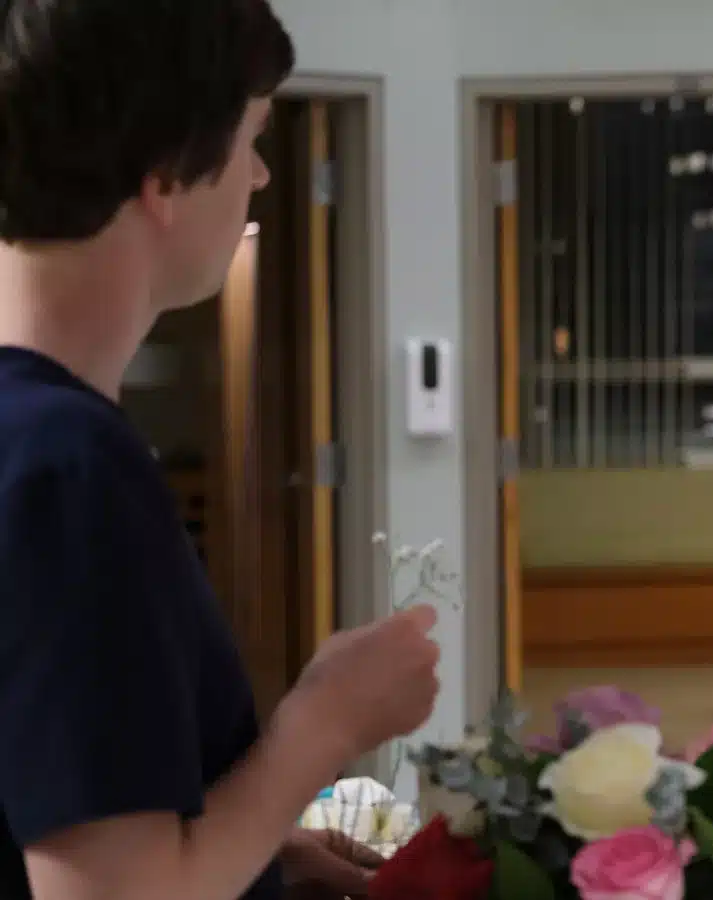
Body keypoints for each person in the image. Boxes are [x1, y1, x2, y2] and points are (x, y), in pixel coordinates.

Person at [0, 2, 440, 899]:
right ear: (167, 173)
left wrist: (262, 851)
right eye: (252, 138)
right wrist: (325, 722)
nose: (262, 174)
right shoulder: (68, 464)